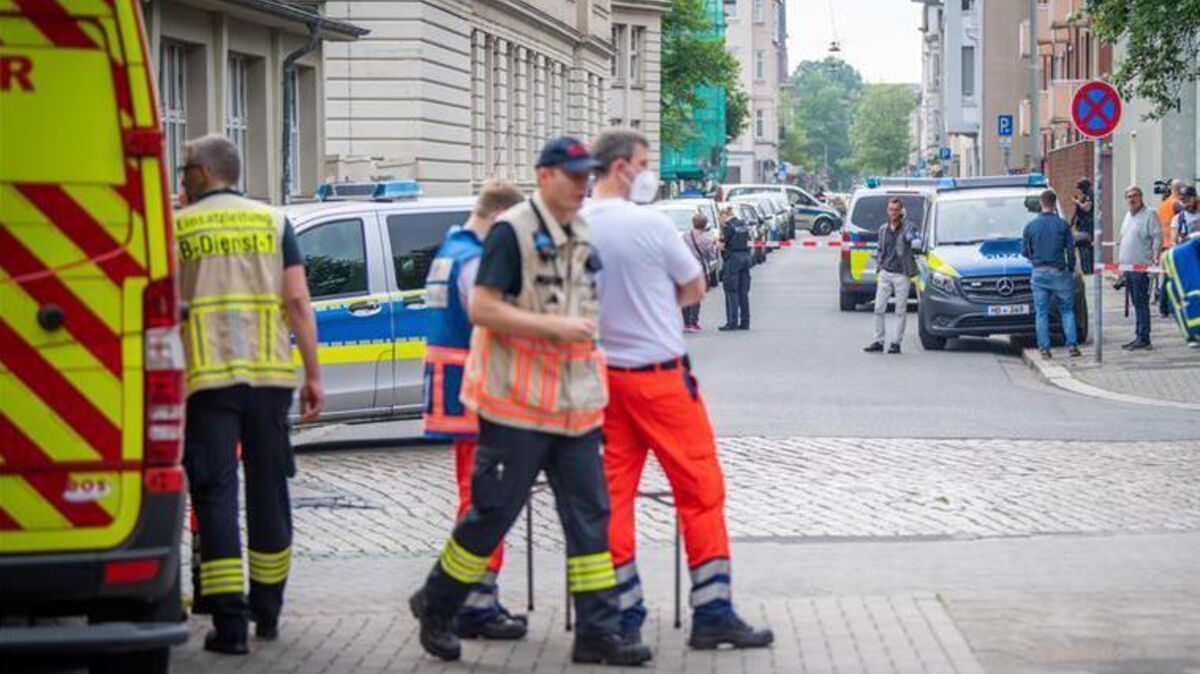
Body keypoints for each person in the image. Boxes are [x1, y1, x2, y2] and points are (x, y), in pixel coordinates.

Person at [408, 137, 653, 667]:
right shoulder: (510, 232)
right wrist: (556, 328)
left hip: (576, 407)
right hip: (516, 405)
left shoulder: (581, 231)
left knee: (590, 518)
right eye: (574, 175)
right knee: (491, 515)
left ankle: (597, 632)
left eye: (588, 175)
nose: (585, 184)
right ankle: (438, 602)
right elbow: (485, 309)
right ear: (545, 177)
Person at [583, 128, 774, 651]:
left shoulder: (572, 227)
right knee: (700, 489)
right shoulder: (649, 225)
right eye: (644, 164)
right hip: (659, 377)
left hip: (601, 379)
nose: (649, 175)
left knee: (613, 497)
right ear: (622, 166)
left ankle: (622, 614)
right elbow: (694, 286)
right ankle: (712, 610)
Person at [174, 134, 324, 654]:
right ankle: (269, 610)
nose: (181, 177)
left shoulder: (179, 227)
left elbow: (165, 305)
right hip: (269, 380)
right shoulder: (273, 222)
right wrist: (313, 374)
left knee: (214, 494)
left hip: (209, 381)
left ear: (204, 173)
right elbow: (299, 301)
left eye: (184, 168)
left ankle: (230, 627)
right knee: (269, 490)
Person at [420, 180, 527, 640]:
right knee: (482, 500)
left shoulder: (451, 247)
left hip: (454, 388)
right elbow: (490, 316)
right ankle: (468, 602)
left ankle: (472, 598)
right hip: (474, 391)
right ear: (502, 218)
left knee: (478, 496)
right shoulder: (473, 259)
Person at [1021, 189, 1080, 360]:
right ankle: (1072, 346)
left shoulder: (1030, 226)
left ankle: (1045, 349)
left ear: (1041, 203)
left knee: (1041, 312)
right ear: (1054, 204)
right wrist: (1070, 268)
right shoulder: (1062, 225)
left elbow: (1025, 251)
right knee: (1067, 310)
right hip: (1059, 271)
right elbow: (1070, 249)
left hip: (1039, 273)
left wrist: (1035, 259)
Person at [864, 197, 918, 354]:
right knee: (878, 308)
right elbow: (880, 249)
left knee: (900, 310)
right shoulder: (883, 229)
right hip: (885, 273)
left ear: (901, 211)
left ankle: (896, 343)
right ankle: (878, 341)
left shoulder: (909, 227)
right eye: (891, 210)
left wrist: (911, 236)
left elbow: (912, 239)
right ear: (887, 211)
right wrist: (879, 267)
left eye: (896, 210)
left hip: (902, 274)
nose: (893, 212)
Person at [1118, 186, 1162, 350]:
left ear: (1141, 197)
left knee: (1141, 303)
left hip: (1141, 267)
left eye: (1135, 195)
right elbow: (1124, 239)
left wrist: (1155, 257)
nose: (1132, 199)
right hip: (1129, 268)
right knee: (1136, 303)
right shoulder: (1128, 216)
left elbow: (1157, 236)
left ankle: (1144, 337)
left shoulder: (1149, 214)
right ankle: (1138, 335)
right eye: (1129, 196)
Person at [682, 211, 717, 332]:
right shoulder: (706, 238)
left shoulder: (685, 236)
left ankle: (685, 322)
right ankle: (693, 322)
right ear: (705, 224)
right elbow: (711, 255)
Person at [718, 206, 752, 331]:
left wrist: (717, 243)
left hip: (733, 259)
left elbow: (722, 244)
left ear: (724, 216)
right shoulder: (742, 224)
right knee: (743, 291)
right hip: (745, 257)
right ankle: (745, 321)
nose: (721, 221)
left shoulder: (728, 227)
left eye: (720, 218)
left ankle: (732, 322)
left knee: (731, 290)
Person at [1071, 178, 1095, 275]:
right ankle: (1087, 268)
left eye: (1081, 188)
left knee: (1085, 247)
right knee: (1084, 248)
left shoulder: (1090, 194)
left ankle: (1088, 269)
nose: (1080, 191)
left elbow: (1087, 208)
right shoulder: (1087, 194)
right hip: (1083, 225)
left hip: (1087, 226)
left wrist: (1077, 202)